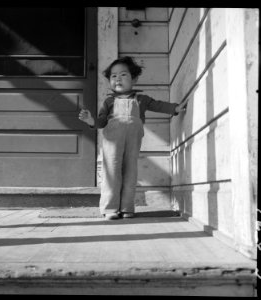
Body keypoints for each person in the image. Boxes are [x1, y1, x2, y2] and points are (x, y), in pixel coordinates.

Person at [79, 56, 185, 220]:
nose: (118, 79)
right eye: (113, 76)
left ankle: (127, 207)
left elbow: (158, 105)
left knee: (130, 172)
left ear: (134, 79)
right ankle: (110, 208)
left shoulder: (141, 99)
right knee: (112, 172)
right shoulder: (109, 102)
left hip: (133, 142)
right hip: (112, 142)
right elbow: (101, 122)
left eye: (123, 75)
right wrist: (90, 120)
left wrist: (175, 108)